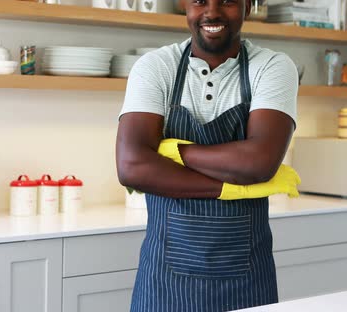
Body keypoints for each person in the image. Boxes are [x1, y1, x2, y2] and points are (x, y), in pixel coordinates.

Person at [115, 0, 302, 311]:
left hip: (247, 282)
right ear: (183, 4)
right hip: (164, 284)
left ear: (249, 6)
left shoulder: (272, 67)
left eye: (227, 1)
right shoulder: (155, 67)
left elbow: (259, 162)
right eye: (200, 0)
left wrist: (173, 151)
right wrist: (230, 187)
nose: (212, 13)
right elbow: (132, 167)